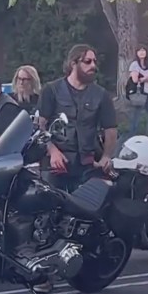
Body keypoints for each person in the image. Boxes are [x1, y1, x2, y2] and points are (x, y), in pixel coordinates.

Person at [38, 44, 118, 192]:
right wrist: (52, 151)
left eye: (94, 61)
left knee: (87, 207)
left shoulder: (101, 95)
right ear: (73, 63)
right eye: (87, 61)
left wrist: (106, 156)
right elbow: (39, 126)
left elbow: (111, 129)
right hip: (55, 165)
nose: (93, 66)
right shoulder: (51, 90)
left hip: (86, 165)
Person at [125, 46, 148, 140]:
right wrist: (146, 78)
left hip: (147, 93)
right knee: (135, 119)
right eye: (140, 51)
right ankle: (131, 138)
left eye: (143, 51)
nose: (142, 53)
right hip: (139, 94)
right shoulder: (134, 65)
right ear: (136, 53)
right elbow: (135, 79)